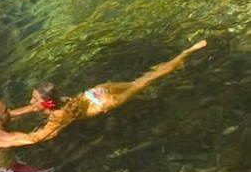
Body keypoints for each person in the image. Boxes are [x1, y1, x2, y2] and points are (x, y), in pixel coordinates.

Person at [15, 40, 208, 134]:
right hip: (98, 91)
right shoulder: (61, 101)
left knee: (146, 81)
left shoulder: (58, 115)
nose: (31, 101)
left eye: (34, 99)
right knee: (142, 79)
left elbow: (42, 136)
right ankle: (181, 57)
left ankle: (184, 55)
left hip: (106, 102)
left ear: (47, 102)